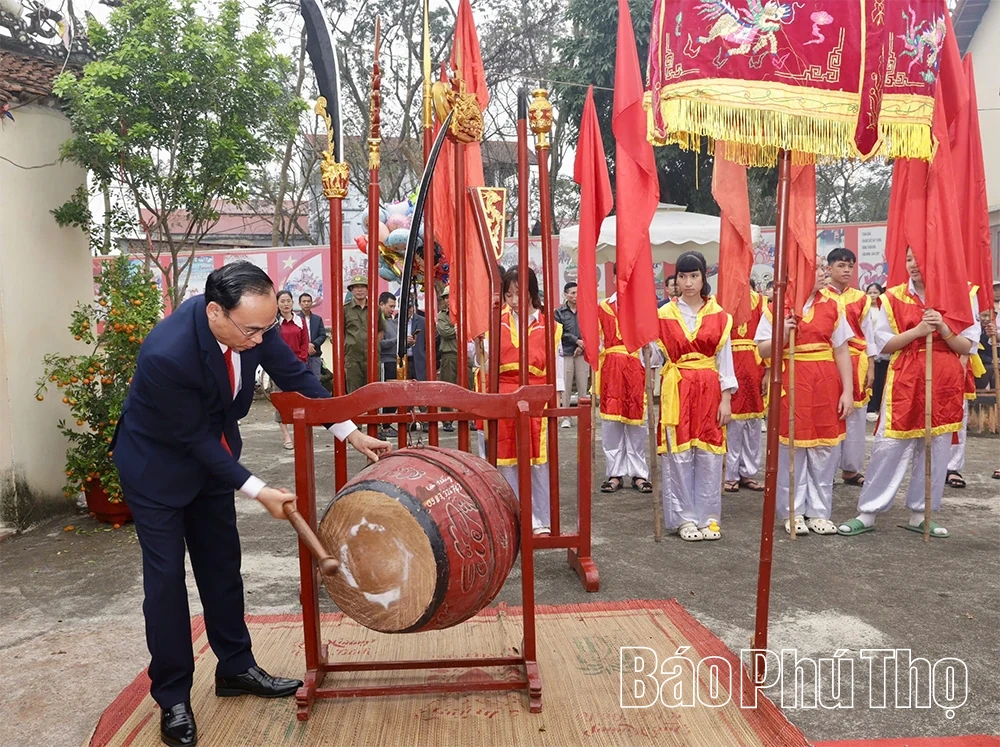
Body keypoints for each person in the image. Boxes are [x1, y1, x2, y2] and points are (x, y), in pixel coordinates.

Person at [111, 262, 390, 747]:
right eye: (252, 330)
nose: (262, 339)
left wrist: (349, 431)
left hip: (214, 465)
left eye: (267, 327)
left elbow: (294, 374)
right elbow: (195, 440)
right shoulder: (167, 353)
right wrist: (259, 490)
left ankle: (236, 668)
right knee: (166, 585)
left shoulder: (254, 327)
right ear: (214, 311)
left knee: (222, 568)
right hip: (156, 470)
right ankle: (173, 696)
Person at [838, 248, 980, 539]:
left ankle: (921, 513)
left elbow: (968, 346)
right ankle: (868, 512)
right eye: (909, 259)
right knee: (888, 446)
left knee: (935, 449)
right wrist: (917, 331)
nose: (913, 265)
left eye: (920, 258)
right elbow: (884, 344)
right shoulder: (893, 297)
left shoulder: (961, 295)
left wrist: (942, 326)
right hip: (906, 376)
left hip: (944, 380)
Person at [757, 263, 854, 536]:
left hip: (825, 383)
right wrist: (780, 332)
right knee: (793, 449)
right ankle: (793, 510)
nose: (823, 273)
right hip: (792, 382)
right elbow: (762, 349)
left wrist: (847, 391)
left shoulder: (833, 305)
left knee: (825, 448)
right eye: (816, 269)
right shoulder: (777, 306)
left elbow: (842, 351)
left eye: (823, 268)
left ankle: (820, 512)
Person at [655, 252, 737, 542]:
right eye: (682, 276)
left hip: (709, 388)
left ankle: (708, 516)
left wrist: (726, 398)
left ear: (704, 278)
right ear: (675, 279)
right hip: (676, 389)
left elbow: (725, 361)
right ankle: (683, 518)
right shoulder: (663, 314)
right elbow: (654, 355)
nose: (687, 282)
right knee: (678, 453)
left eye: (694, 276)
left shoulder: (720, 316)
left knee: (709, 452)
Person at [493, 266, 562, 536]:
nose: (513, 300)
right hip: (505, 396)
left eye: (518, 293)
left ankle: (539, 519)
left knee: (537, 457)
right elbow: (481, 363)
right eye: (508, 294)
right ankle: (511, 518)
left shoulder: (551, 326)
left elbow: (557, 367)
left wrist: (557, 401)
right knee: (506, 457)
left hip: (537, 399)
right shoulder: (495, 323)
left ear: (532, 292)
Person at [598, 263, 652, 494]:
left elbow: (654, 346)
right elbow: (598, 342)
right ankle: (615, 472)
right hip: (611, 369)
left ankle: (639, 474)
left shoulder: (643, 307)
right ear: (613, 277)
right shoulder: (603, 307)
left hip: (635, 369)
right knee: (612, 424)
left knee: (636, 424)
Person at [825, 248, 874, 487]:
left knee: (855, 415)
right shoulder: (821, 296)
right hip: (828, 360)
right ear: (829, 268)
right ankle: (828, 469)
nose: (846, 270)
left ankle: (851, 470)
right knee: (831, 412)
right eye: (841, 266)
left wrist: (872, 365)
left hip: (857, 360)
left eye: (850, 266)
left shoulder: (861, 298)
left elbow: (869, 334)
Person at [724, 285, 767, 493]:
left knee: (753, 422)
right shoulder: (721, 299)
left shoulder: (760, 301)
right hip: (729, 362)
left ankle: (748, 472)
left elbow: (767, 337)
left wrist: (767, 370)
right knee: (731, 423)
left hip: (754, 365)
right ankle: (729, 474)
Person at [946, 294, 989, 489]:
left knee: (956, 412)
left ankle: (952, 467)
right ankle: (927, 465)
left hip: (957, 357)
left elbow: (972, 331)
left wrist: (961, 363)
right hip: (922, 358)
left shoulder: (967, 291)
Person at [274, 290, 310, 450]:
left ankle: (299, 433)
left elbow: (305, 342)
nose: (286, 304)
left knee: (298, 401)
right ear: (277, 304)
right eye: (282, 301)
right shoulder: (274, 323)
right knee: (281, 402)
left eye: (288, 300)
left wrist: (301, 361)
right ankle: (286, 436)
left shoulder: (300, 321)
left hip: (298, 366)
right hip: (278, 367)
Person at [554, 281, 589, 428]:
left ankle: (583, 416)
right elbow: (559, 332)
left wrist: (582, 345)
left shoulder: (586, 310)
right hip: (567, 352)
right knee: (566, 385)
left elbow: (589, 328)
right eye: (572, 293)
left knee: (583, 385)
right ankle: (566, 416)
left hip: (582, 352)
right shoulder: (559, 312)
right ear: (566, 295)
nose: (575, 296)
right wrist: (576, 341)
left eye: (577, 293)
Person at [343, 275, 385, 393]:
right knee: (354, 392)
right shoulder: (345, 309)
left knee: (373, 392)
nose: (359, 290)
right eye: (356, 287)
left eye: (362, 287)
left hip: (372, 357)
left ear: (367, 290)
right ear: (351, 290)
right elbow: (340, 333)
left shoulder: (375, 309)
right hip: (353, 358)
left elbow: (381, 330)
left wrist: (374, 346)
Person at [865, 282, 889, 421]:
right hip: (870, 347)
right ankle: (870, 407)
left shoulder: (884, 309)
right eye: (870, 292)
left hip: (884, 349)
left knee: (882, 378)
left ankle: (879, 407)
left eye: (875, 293)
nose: (873, 295)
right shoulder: (865, 308)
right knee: (871, 378)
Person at [377, 291, 399, 438]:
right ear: (381, 305)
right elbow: (379, 344)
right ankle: (382, 425)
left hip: (395, 360)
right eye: (390, 306)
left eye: (394, 307)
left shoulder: (393, 322)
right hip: (385, 361)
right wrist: (396, 341)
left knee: (395, 394)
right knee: (385, 394)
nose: (392, 309)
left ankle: (387, 423)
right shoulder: (378, 322)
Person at [437, 287, 458, 432]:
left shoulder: (465, 312)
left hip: (466, 356)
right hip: (449, 354)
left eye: (450, 297)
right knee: (447, 388)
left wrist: (456, 328)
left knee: (468, 386)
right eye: (445, 298)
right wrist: (458, 328)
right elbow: (445, 332)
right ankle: (447, 419)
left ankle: (469, 417)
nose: (447, 300)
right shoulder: (442, 315)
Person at [298, 292, 326, 378]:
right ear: (300, 303)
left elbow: (322, 335)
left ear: (312, 303)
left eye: (308, 301)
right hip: (300, 356)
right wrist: (306, 346)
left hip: (315, 354)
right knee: (301, 380)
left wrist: (312, 344)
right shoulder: (296, 319)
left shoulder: (318, 319)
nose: (306, 303)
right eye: (304, 301)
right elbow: (295, 337)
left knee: (315, 381)